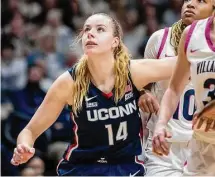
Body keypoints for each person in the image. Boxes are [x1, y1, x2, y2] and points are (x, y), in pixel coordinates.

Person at [10, 13, 176, 176]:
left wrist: (198, 31)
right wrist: (23, 147)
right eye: (87, 29)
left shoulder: (133, 72)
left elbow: (183, 62)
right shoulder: (69, 83)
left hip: (125, 167)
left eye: (100, 29)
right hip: (82, 168)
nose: (90, 33)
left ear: (115, 42)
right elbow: (30, 131)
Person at [138, 0, 215, 176]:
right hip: (165, 144)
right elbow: (138, 82)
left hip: (200, 140)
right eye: (187, 0)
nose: (190, 4)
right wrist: (142, 93)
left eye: (201, 1)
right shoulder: (160, 39)